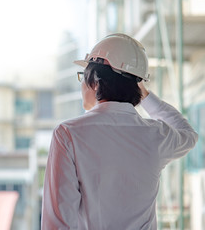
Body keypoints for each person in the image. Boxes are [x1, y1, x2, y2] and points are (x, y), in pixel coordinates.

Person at [41, 33, 198, 230]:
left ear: (95, 81)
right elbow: (188, 134)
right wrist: (145, 95)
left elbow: (57, 223)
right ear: (138, 86)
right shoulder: (155, 135)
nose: (82, 84)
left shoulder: (68, 135)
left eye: (83, 76)